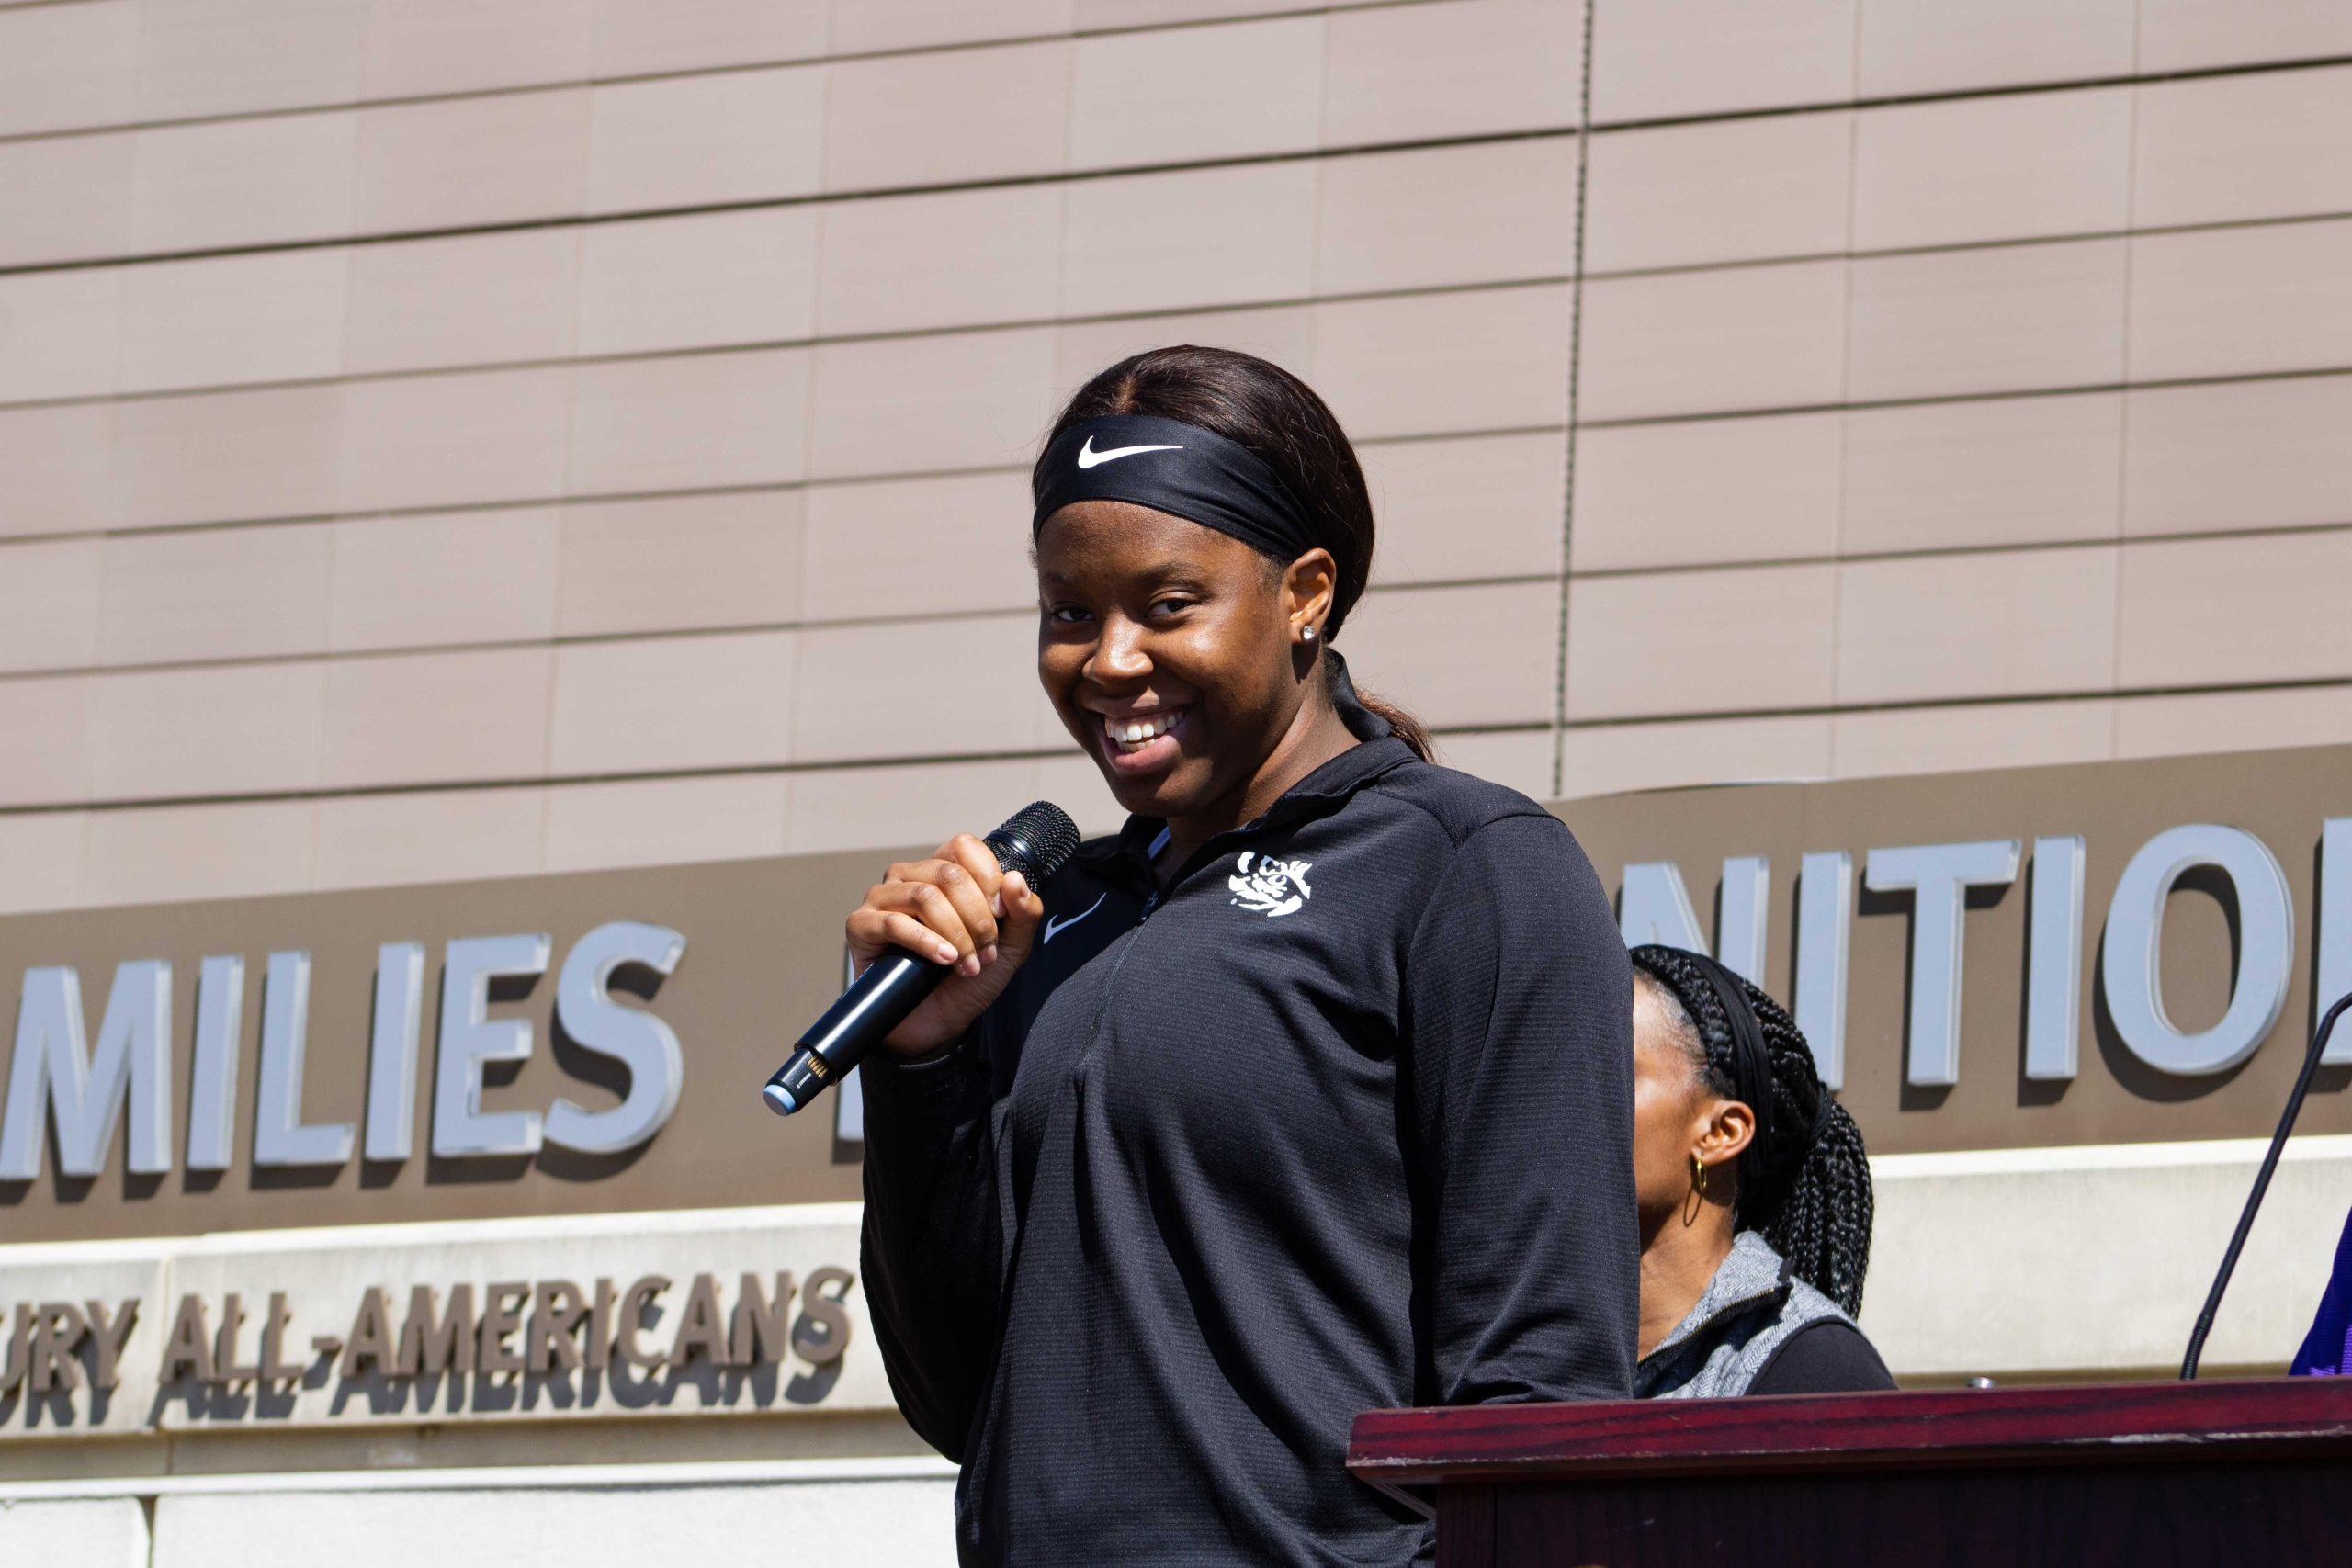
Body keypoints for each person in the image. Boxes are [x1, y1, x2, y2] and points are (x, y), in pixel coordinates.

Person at [854, 345, 1637, 1565]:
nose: (1108, 661)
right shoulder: (1051, 926)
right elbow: (963, 1397)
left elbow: (1541, 1393)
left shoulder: (1467, 867)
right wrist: (919, 1064)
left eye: (1166, 605)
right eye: (1070, 612)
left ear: (1305, 592)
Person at [1627, 943, 1894, 1396]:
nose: (1561, 1093)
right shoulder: (1510, 1346)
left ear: (1720, 1133)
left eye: (1607, 1068)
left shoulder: (1814, 1373)